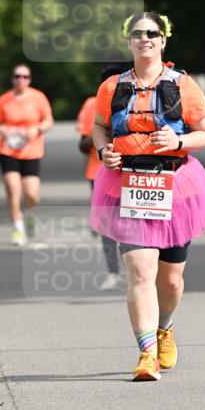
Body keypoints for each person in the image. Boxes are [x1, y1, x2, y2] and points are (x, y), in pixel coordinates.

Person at [90, 12, 205, 382]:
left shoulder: (183, 84)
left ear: (163, 41)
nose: (144, 39)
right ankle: (146, 354)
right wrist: (103, 151)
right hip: (126, 183)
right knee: (140, 271)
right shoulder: (112, 86)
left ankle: (165, 326)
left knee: (171, 280)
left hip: (175, 187)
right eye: (137, 34)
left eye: (152, 34)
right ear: (129, 41)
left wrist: (178, 141)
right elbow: (99, 126)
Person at [76, 65, 125, 290]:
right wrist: (104, 137)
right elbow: (83, 143)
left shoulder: (137, 100)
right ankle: (113, 272)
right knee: (107, 225)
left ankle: (137, 270)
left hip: (133, 173)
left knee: (131, 223)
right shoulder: (92, 105)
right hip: (100, 173)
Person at [0, 63, 53, 245]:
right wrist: (3, 130)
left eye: (24, 77)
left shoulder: (38, 98)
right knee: (13, 189)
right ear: (12, 79)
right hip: (8, 149)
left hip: (31, 150)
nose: (21, 80)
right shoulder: (4, 100)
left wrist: (38, 129)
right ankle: (18, 228)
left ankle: (28, 213)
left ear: (29, 79)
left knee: (32, 194)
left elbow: (49, 121)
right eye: (17, 76)